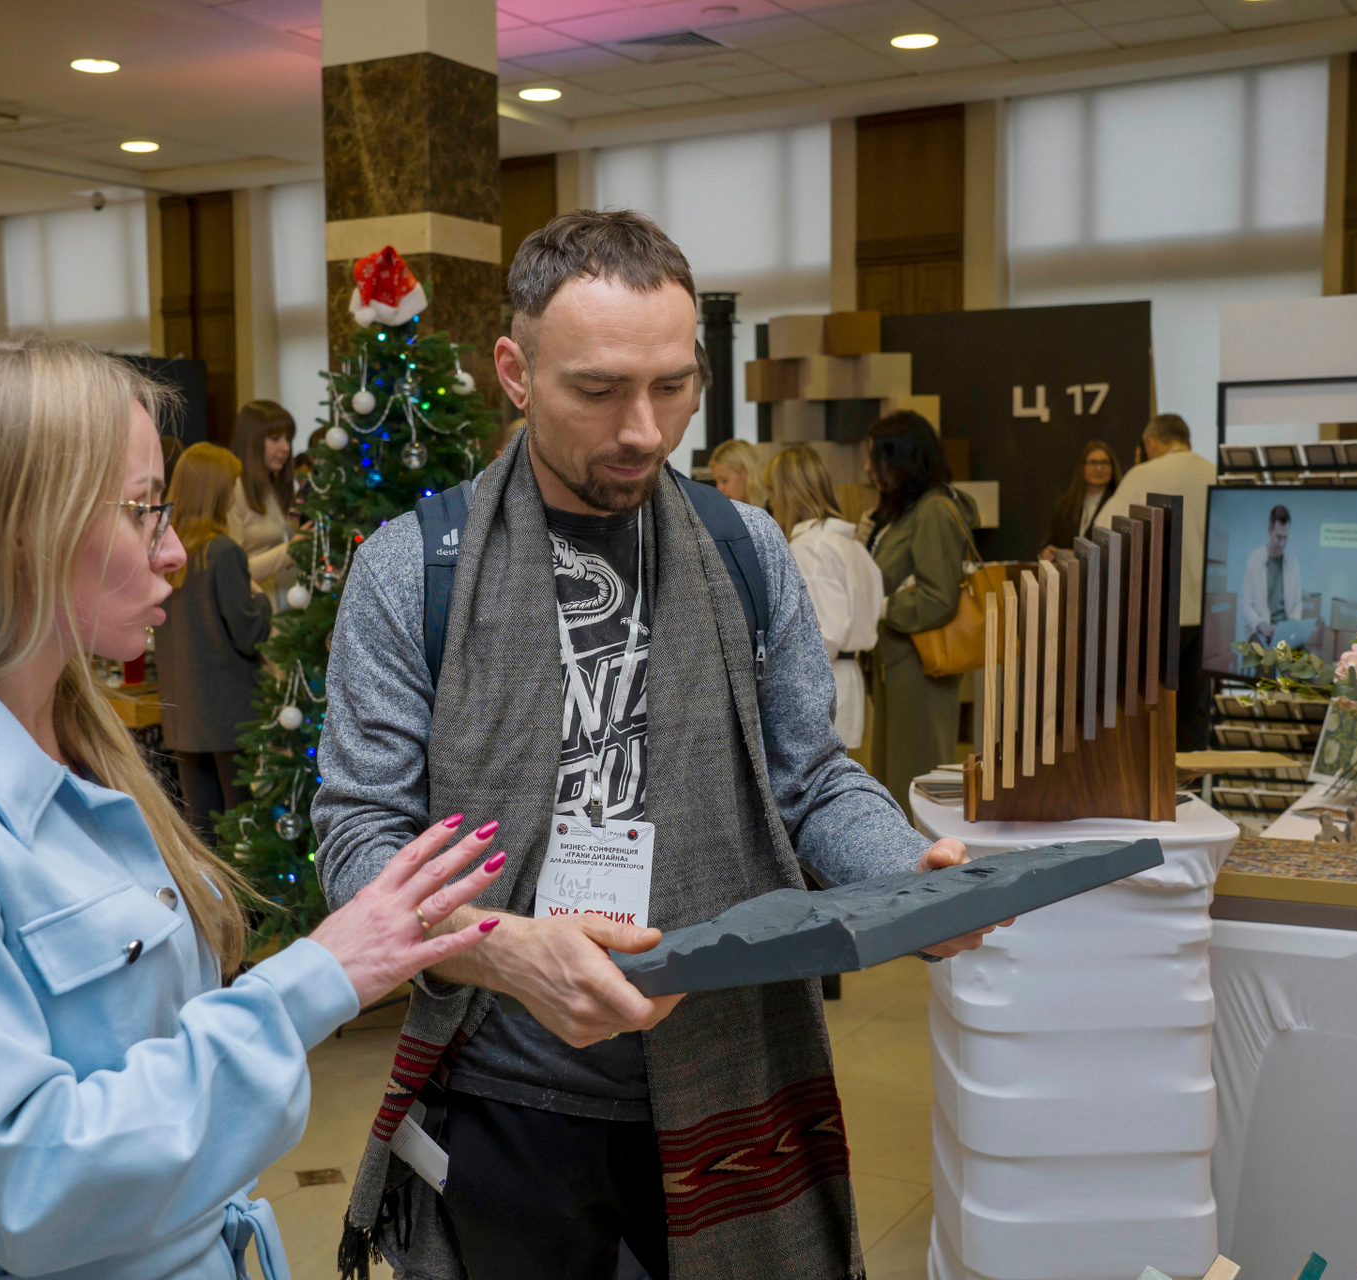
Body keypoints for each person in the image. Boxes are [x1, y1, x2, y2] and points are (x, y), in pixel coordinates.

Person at [315, 210, 996, 1280]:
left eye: (673, 387)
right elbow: (360, 840)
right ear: (515, 371)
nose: (643, 429)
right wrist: (501, 947)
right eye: (598, 390)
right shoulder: (413, 571)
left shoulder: (743, 548)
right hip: (505, 1094)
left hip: (731, 1074)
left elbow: (809, 777)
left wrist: (908, 878)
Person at [0, 334, 511, 1280]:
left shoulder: (78, 740)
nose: (173, 551)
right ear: (22, 526)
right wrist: (317, 979)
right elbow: (37, 1185)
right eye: (144, 511)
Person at [857, 411, 980, 809]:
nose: (868, 469)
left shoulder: (934, 511)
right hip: (898, 666)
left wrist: (882, 606)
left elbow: (937, 598)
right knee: (896, 779)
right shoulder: (906, 511)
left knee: (915, 782)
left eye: (877, 459)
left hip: (919, 670)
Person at [158, 442, 274, 835]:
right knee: (242, 829)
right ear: (217, 491)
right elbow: (248, 635)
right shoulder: (223, 552)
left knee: (201, 828)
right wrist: (262, 602)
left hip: (184, 714)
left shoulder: (168, 555)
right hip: (232, 714)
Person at [1096, 413, 1217, 750]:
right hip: (1208, 612)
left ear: (1151, 442)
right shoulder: (1214, 473)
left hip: (1157, 610)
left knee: (1151, 710)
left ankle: (1155, 779)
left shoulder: (1143, 474)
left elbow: (1102, 532)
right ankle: (1192, 779)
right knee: (1194, 710)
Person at [763, 444, 883, 750]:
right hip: (848, 678)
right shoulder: (850, 546)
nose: (770, 502)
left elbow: (824, 634)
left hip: (820, 683)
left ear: (788, 494)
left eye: (772, 491)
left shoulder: (810, 548)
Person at [227, 400, 299, 595]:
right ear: (252, 441)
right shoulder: (233, 489)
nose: (285, 448)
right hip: (255, 604)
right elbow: (232, 571)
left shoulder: (277, 488)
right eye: (275, 439)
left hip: (287, 603)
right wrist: (292, 548)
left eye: (288, 439)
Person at [1040, 439, 1120, 557]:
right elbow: (1050, 542)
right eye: (1093, 462)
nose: (1099, 468)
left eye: (1104, 462)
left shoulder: (1118, 504)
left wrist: (1075, 555)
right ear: (1082, 467)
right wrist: (1045, 552)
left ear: (1112, 468)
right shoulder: (1065, 506)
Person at [1237, 504, 1302, 646]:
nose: (1282, 543)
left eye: (1285, 538)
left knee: (1304, 657)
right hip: (1260, 630)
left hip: (1284, 631)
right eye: (1278, 537)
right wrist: (1260, 624)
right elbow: (1245, 604)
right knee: (1263, 656)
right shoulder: (1254, 560)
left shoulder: (1293, 563)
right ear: (1269, 530)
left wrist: (1292, 624)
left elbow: (1297, 603)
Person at [707, 437, 765, 507]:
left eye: (724, 481)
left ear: (746, 472)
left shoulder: (770, 511)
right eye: (716, 482)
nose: (718, 489)